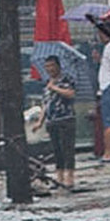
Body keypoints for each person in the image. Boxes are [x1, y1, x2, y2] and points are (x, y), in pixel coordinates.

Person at [41, 54, 79, 190]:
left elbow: (71, 94)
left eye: (52, 65)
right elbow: (45, 103)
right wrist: (40, 121)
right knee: (56, 150)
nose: (49, 69)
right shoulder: (47, 82)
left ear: (58, 66)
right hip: (52, 120)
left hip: (65, 118)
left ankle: (69, 177)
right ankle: (59, 176)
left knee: (67, 149)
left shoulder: (66, 79)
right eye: (47, 66)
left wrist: (55, 88)